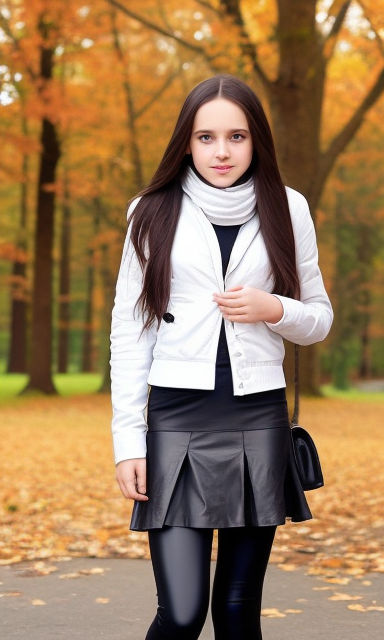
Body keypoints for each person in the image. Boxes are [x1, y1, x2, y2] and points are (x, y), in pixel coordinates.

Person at [109, 74, 333, 640]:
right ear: (186, 141)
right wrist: (127, 441)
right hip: (174, 419)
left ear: (257, 140)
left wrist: (273, 308)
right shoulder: (150, 211)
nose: (222, 151)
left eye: (236, 136)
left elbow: (319, 320)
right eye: (206, 137)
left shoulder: (289, 207)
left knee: (237, 612)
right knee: (181, 613)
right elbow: (131, 333)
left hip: (257, 417)